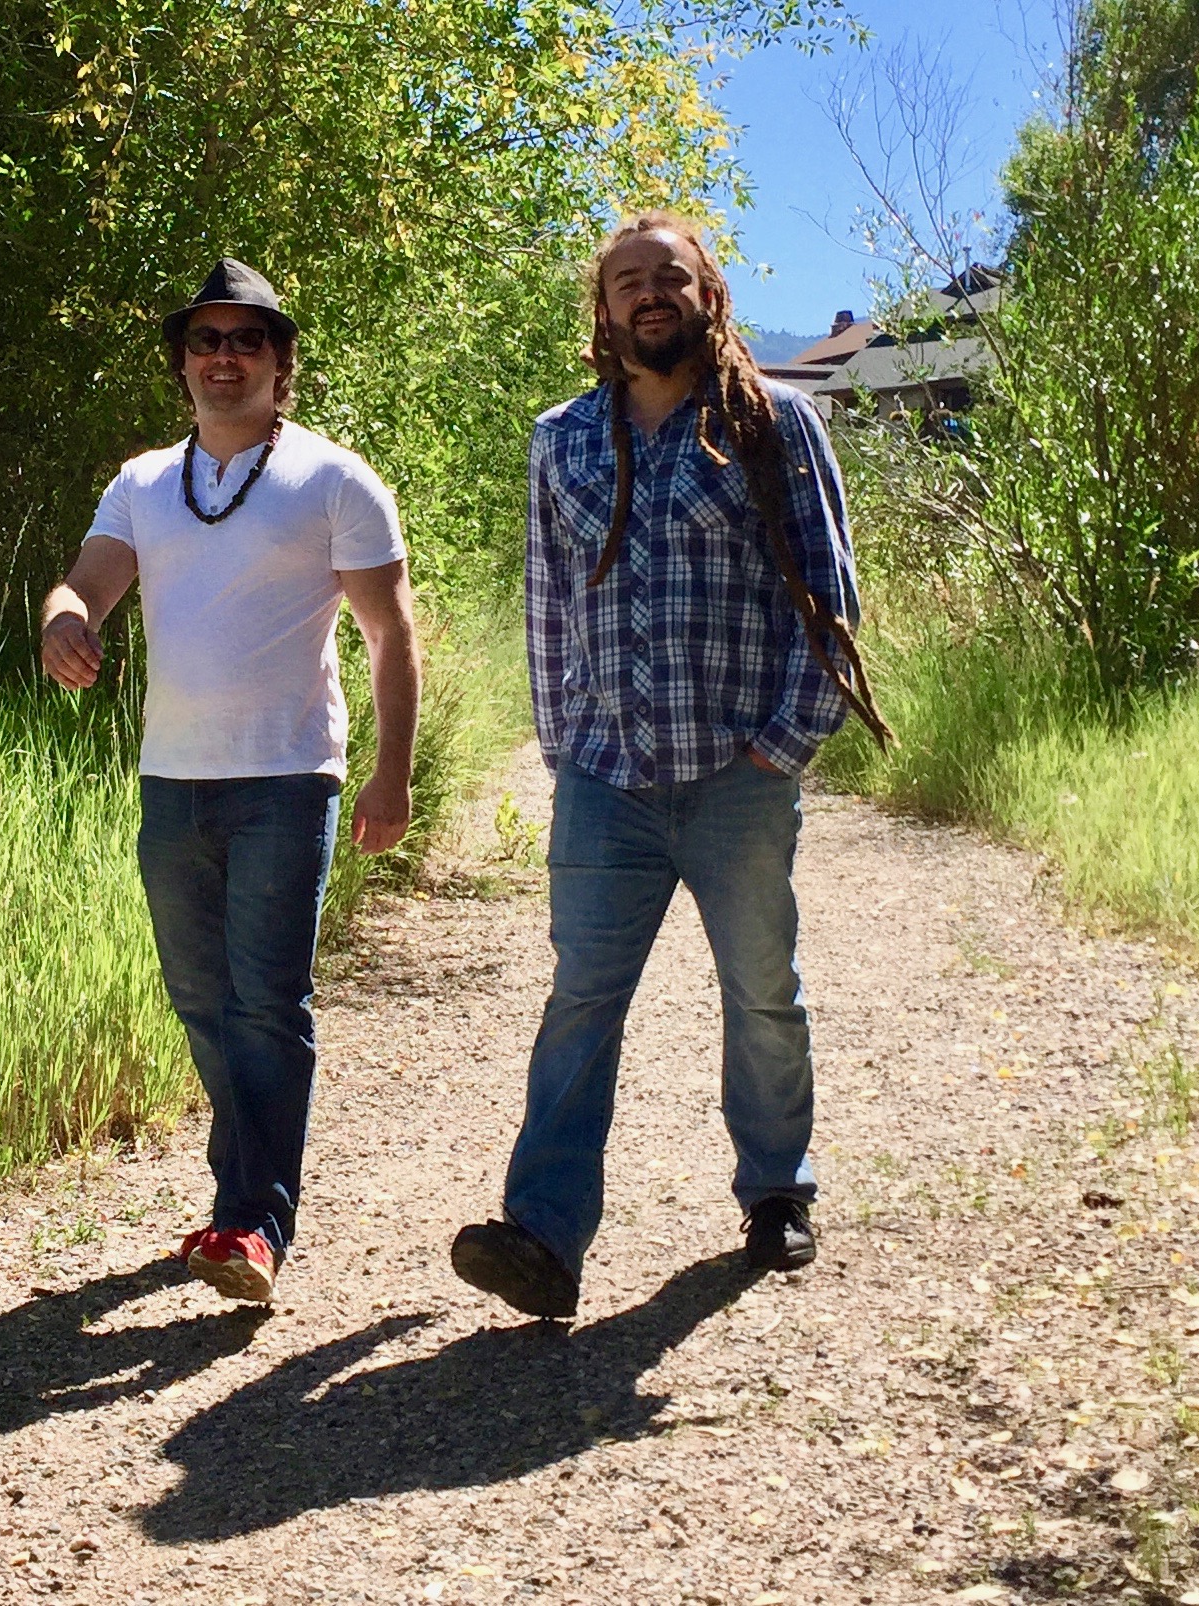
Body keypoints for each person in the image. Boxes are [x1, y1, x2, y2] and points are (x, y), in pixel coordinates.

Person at [451, 213, 891, 1319]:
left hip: (739, 775)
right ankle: (543, 1236)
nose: (650, 294)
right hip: (608, 778)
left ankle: (777, 1191)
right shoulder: (562, 438)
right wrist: (564, 746)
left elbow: (827, 597)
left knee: (761, 992)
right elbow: (548, 600)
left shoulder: (773, 422)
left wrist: (782, 743)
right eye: (627, 281)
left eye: (671, 276)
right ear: (602, 310)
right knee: (580, 1002)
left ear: (710, 294)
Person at [41, 258, 420, 1305]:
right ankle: (241, 1205)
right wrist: (64, 621)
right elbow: (87, 582)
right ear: (183, 364)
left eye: (245, 340)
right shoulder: (142, 483)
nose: (223, 357)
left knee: (267, 1003)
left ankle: (252, 1221)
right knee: (202, 1001)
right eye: (206, 341)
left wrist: (390, 776)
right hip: (174, 784)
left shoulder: (336, 480)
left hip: (289, 780)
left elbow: (391, 638)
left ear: (278, 362)